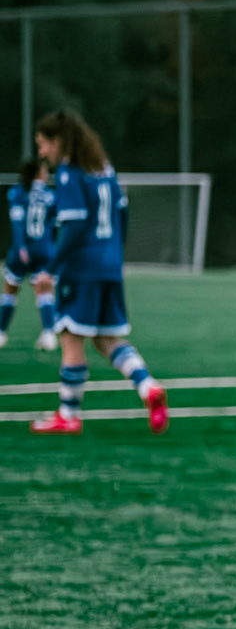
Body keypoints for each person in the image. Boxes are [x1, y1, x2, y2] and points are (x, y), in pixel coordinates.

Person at [28, 111, 167, 436]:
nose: (42, 153)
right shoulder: (103, 168)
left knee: (70, 336)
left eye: (43, 144)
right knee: (106, 339)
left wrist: (52, 268)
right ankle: (147, 386)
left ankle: (68, 415)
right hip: (109, 266)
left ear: (58, 141)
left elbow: (75, 226)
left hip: (82, 269)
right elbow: (124, 215)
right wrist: (113, 253)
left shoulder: (70, 172)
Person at [3, 155, 59, 350]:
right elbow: (55, 226)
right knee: (44, 290)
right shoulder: (51, 195)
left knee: (10, 289)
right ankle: (49, 334)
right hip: (45, 249)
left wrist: (21, 246)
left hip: (22, 249)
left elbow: (17, 222)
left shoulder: (18, 192)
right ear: (39, 173)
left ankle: (1, 332)